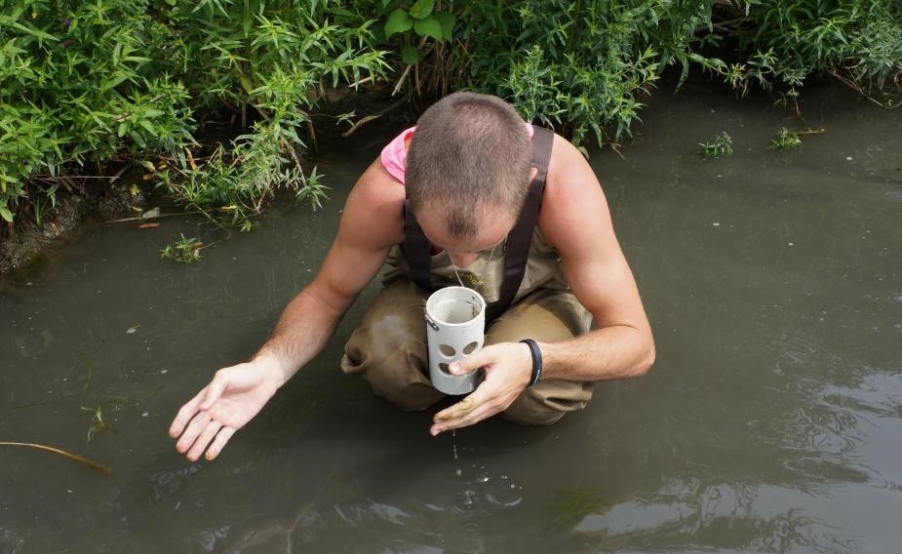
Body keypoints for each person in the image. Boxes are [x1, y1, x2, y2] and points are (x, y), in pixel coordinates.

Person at [169, 92, 655, 462]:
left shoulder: (562, 185)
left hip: (538, 295)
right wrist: (270, 368)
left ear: (526, 191)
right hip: (425, 292)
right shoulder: (382, 193)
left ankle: (517, 375)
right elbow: (327, 295)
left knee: (539, 394)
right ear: (408, 191)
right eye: (444, 241)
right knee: (385, 361)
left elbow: (636, 343)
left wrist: (533, 360)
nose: (464, 266)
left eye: (484, 245)